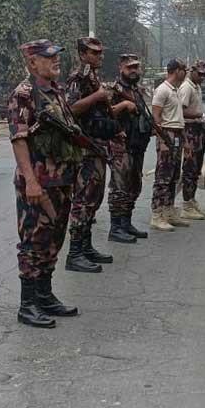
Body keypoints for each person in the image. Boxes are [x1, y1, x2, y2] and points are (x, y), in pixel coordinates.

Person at [8, 39, 81, 328]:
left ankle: (45, 296)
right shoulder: (24, 94)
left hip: (61, 180)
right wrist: (31, 181)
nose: (56, 61)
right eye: (48, 57)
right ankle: (28, 305)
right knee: (33, 242)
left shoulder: (57, 92)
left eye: (56, 56)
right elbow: (19, 138)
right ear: (32, 62)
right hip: (38, 181)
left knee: (54, 239)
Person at [65, 37, 133, 273]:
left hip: (98, 145)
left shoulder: (92, 77)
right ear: (83, 54)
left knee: (93, 199)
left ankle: (85, 246)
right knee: (83, 200)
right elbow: (71, 108)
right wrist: (97, 96)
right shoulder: (78, 78)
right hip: (85, 147)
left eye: (101, 53)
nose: (100, 57)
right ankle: (75, 253)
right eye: (95, 53)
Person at [105, 53, 149, 243]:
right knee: (120, 187)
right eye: (130, 67)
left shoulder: (136, 90)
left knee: (134, 185)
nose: (134, 71)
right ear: (121, 67)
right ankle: (115, 228)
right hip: (120, 145)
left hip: (137, 144)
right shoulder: (112, 90)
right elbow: (106, 113)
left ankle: (126, 223)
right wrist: (123, 104)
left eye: (136, 67)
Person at [149, 58, 190, 231]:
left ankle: (169, 211)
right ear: (175, 70)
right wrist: (163, 140)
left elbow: (178, 118)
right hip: (167, 134)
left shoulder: (175, 90)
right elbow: (156, 117)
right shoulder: (162, 90)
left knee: (173, 175)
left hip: (177, 134)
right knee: (163, 176)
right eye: (183, 69)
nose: (186, 72)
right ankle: (157, 214)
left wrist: (185, 141)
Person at [178, 59, 205, 220]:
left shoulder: (196, 86)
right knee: (189, 168)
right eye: (200, 74)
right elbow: (180, 111)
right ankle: (186, 205)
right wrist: (198, 116)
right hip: (189, 130)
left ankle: (191, 200)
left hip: (199, 129)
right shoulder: (186, 87)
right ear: (192, 71)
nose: (203, 77)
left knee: (197, 168)